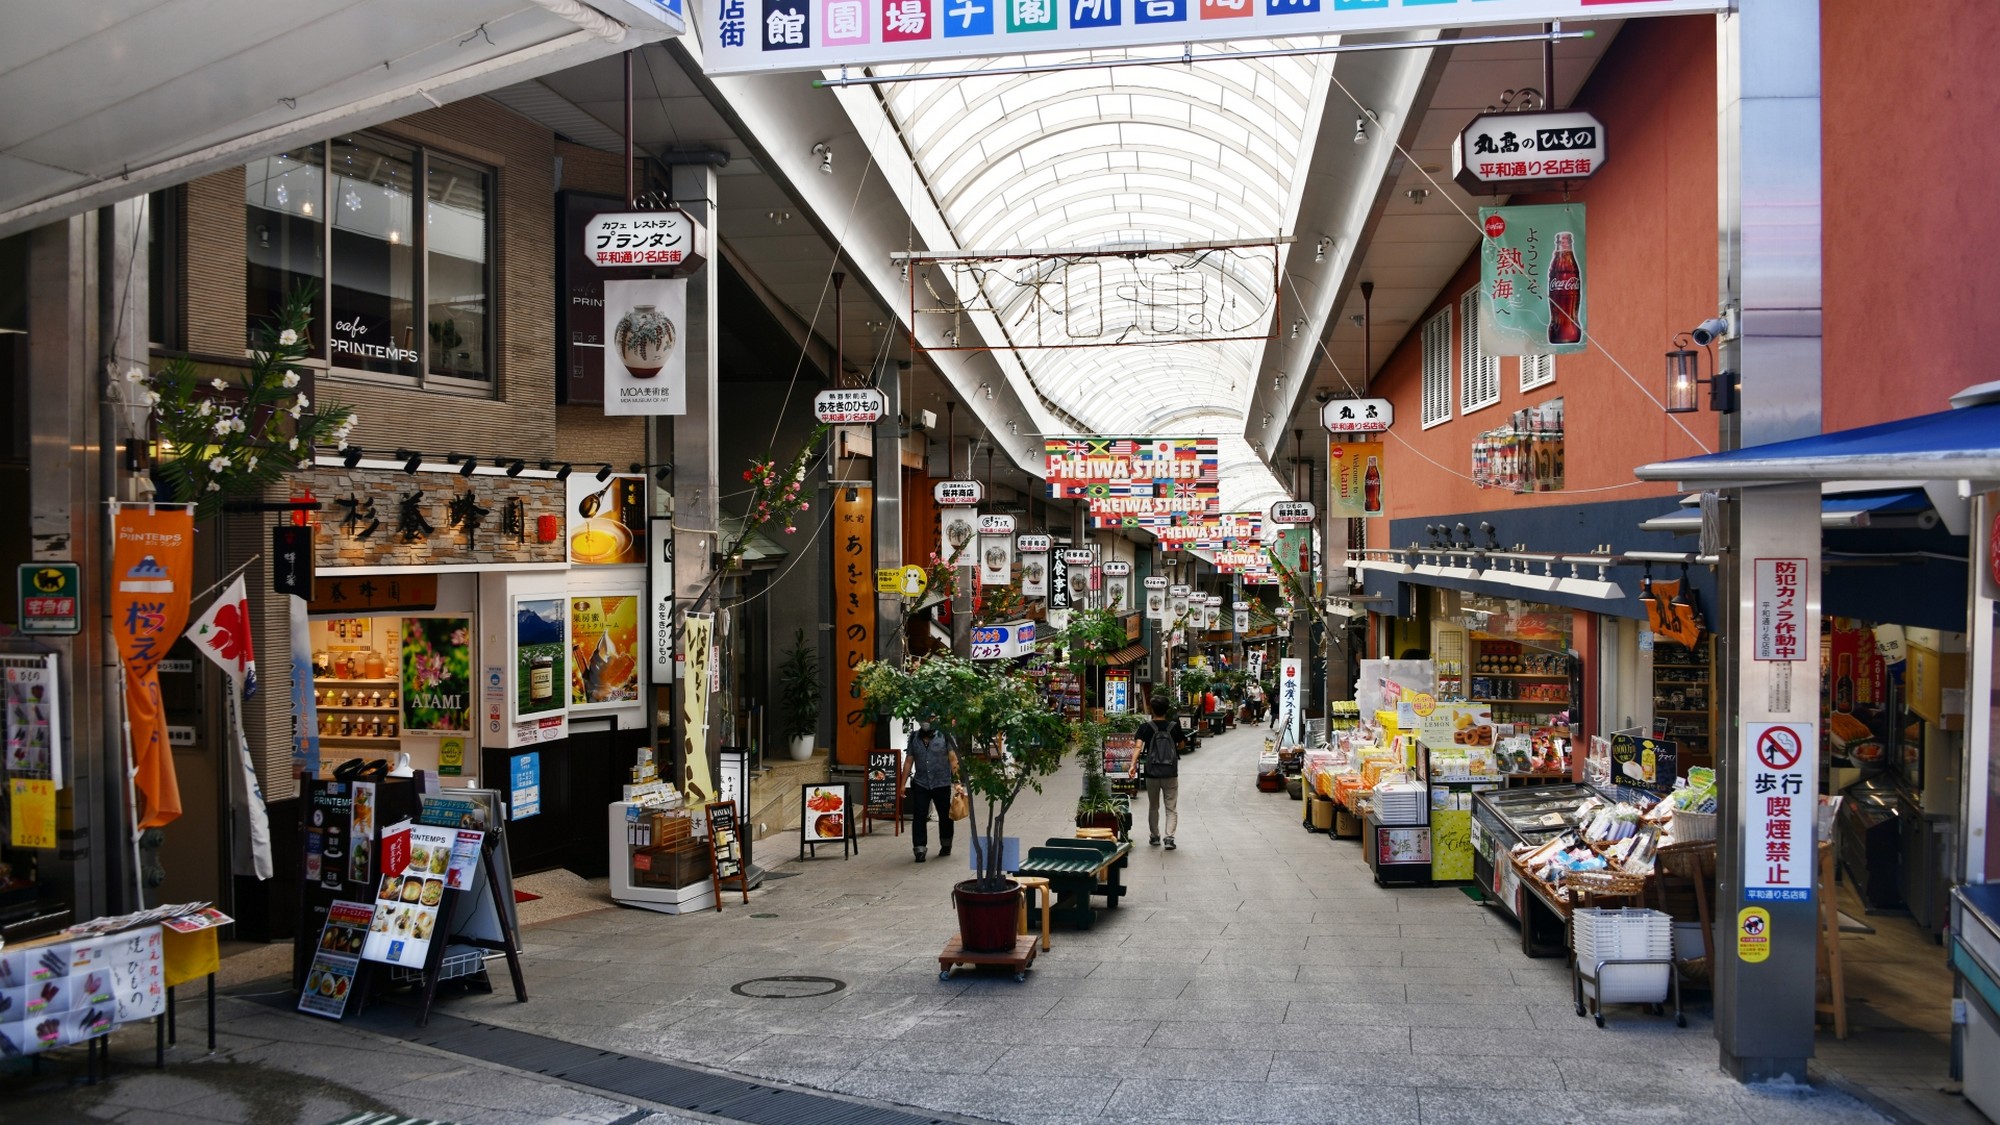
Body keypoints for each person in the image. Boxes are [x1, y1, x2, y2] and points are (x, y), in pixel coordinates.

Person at [905, 715, 959, 863]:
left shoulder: (945, 735)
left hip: (941, 782)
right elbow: (909, 760)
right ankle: (919, 849)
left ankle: (946, 844)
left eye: (929, 718)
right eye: (923, 718)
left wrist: (957, 780)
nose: (925, 722)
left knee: (945, 815)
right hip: (921, 782)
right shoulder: (914, 737)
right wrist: (901, 785)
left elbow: (953, 758)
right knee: (919, 816)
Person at [1136, 693, 1185, 850]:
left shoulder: (1145, 727)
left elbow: (1138, 747)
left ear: (1151, 709)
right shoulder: (1174, 726)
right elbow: (1182, 745)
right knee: (1171, 806)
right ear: (1167, 710)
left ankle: (1155, 836)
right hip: (1170, 772)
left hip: (1152, 772)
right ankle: (1169, 837)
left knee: (1153, 805)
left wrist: (1131, 764)